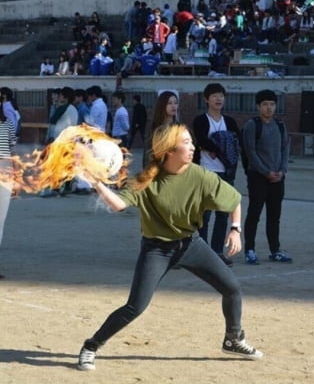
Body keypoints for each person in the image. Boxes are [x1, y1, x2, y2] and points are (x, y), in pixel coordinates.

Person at [76, 122, 263, 371]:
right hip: (157, 249)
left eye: (191, 141)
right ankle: (91, 346)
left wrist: (235, 229)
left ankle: (234, 339)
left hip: (191, 245)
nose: (192, 146)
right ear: (168, 151)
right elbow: (119, 204)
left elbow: (234, 199)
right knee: (136, 307)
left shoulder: (201, 176)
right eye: (185, 142)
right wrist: (96, 182)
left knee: (232, 289)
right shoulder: (148, 179)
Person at [193, 83, 240, 267]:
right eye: (214, 96)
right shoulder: (201, 120)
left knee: (223, 213)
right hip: (206, 171)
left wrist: (215, 146)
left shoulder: (229, 120)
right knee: (204, 214)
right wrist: (219, 146)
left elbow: (235, 139)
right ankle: (201, 252)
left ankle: (217, 252)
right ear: (206, 99)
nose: (218, 99)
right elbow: (201, 139)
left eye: (221, 96)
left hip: (225, 172)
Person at [242, 90, 291, 265]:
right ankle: (249, 250)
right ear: (258, 106)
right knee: (254, 213)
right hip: (258, 176)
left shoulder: (280, 124)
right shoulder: (252, 125)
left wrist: (282, 170)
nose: (269, 108)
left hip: (278, 177)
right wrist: (266, 171)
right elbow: (251, 152)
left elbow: (285, 148)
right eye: (265, 104)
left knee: (274, 215)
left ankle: (275, 250)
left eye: (272, 104)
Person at [142, 90, 179, 167]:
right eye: (169, 103)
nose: (173, 106)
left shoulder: (179, 126)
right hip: (158, 167)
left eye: (175, 103)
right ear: (162, 105)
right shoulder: (154, 126)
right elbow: (148, 152)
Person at [0, 104, 16, 279]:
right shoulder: (8, 124)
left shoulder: (8, 123)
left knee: (0, 222)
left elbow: (12, 148)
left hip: (5, 169)